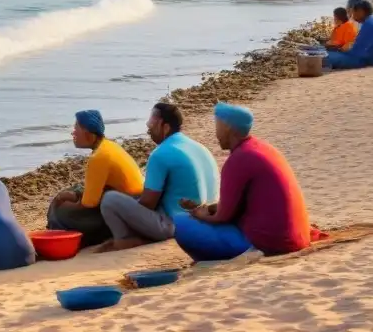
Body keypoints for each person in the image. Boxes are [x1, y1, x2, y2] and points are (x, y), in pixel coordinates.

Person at [173, 102, 311, 262]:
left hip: (271, 243)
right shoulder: (261, 147)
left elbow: (222, 217)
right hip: (295, 236)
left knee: (180, 222)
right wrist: (207, 209)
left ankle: (210, 260)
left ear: (228, 129)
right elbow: (238, 204)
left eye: (217, 126)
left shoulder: (239, 159)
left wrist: (200, 215)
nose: (215, 133)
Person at [98, 102, 218, 251]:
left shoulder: (161, 153)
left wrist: (128, 211)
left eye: (152, 123)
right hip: (205, 217)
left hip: (176, 225)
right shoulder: (199, 147)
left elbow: (148, 203)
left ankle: (125, 239)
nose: (148, 127)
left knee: (110, 199)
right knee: (133, 197)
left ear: (165, 127)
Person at [47, 110, 144, 247]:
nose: (72, 133)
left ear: (88, 134)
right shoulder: (110, 146)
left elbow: (88, 204)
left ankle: (64, 238)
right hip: (132, 202)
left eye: (76, 129)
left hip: (123, 211)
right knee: (74, 190)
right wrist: (75, 194)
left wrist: (62, 204)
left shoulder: (98, 158)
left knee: (60, 212)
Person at [326, 0, 373, 70]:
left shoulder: (369, 24)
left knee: (326, 56)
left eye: (354, 12)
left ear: (360, 11)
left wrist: (341, 50)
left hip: (372, 59)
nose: (353, 16)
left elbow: (355, 53)